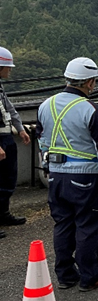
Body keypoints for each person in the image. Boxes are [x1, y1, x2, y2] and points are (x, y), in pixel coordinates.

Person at [36, 57, 98, 291]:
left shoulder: (46, 105)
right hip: (86, 177)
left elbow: (42, 139)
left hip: (55, 175)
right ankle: (90, 277)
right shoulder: (91, 109)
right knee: (88, 226)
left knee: (63, 224)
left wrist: (48, 169)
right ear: (90, 83)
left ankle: (65, 276)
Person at [0, 47, 31, 239]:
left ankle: (3, 214)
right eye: (7, 67)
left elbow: (9, 109)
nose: (10, 70)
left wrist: (20, 128)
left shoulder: (0, 87)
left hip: (6, 137)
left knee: (8, 178)